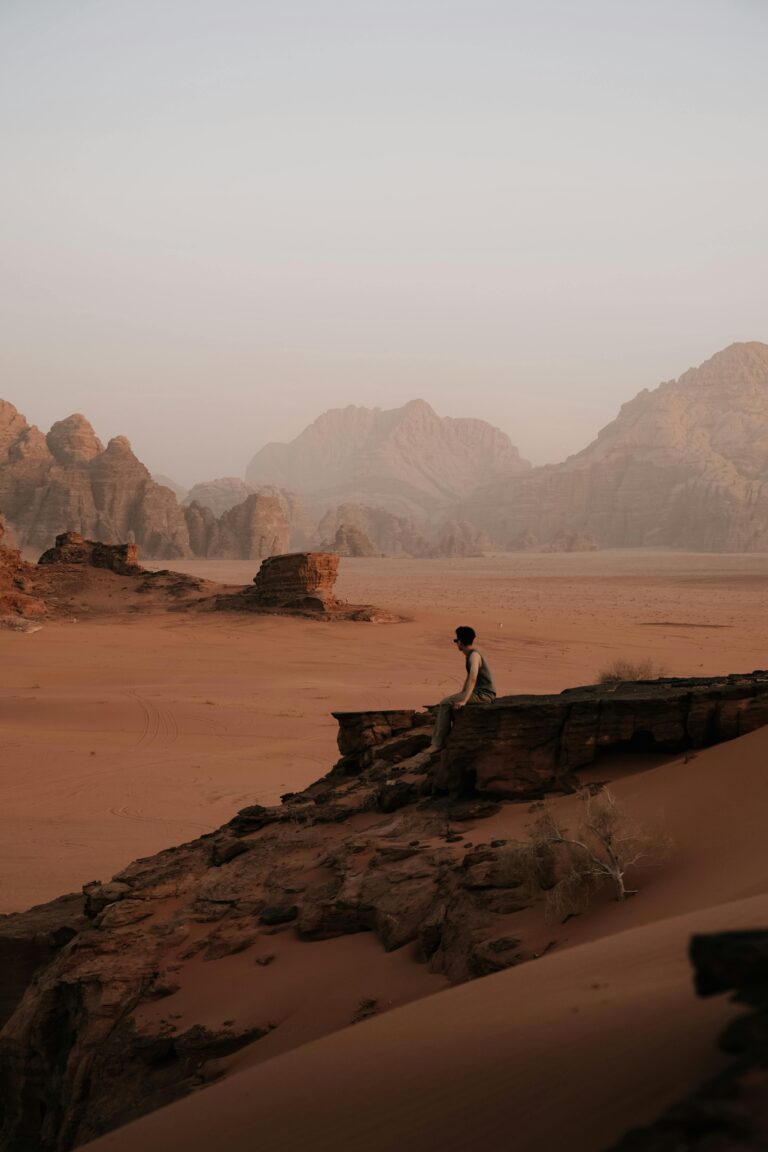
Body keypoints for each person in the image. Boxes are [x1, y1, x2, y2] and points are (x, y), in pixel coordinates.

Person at [429, 626, 496, 751]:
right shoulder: (471, 655)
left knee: (445, 703)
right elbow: (468, 679)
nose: (456, 644)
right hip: (479, 693)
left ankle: (437, 744)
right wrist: (462, 694)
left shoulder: (474, 656)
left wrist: (464, 700)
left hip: (484, 694)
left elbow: (473, 678)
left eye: (456, 641)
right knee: (450, 701)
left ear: (460, 641)